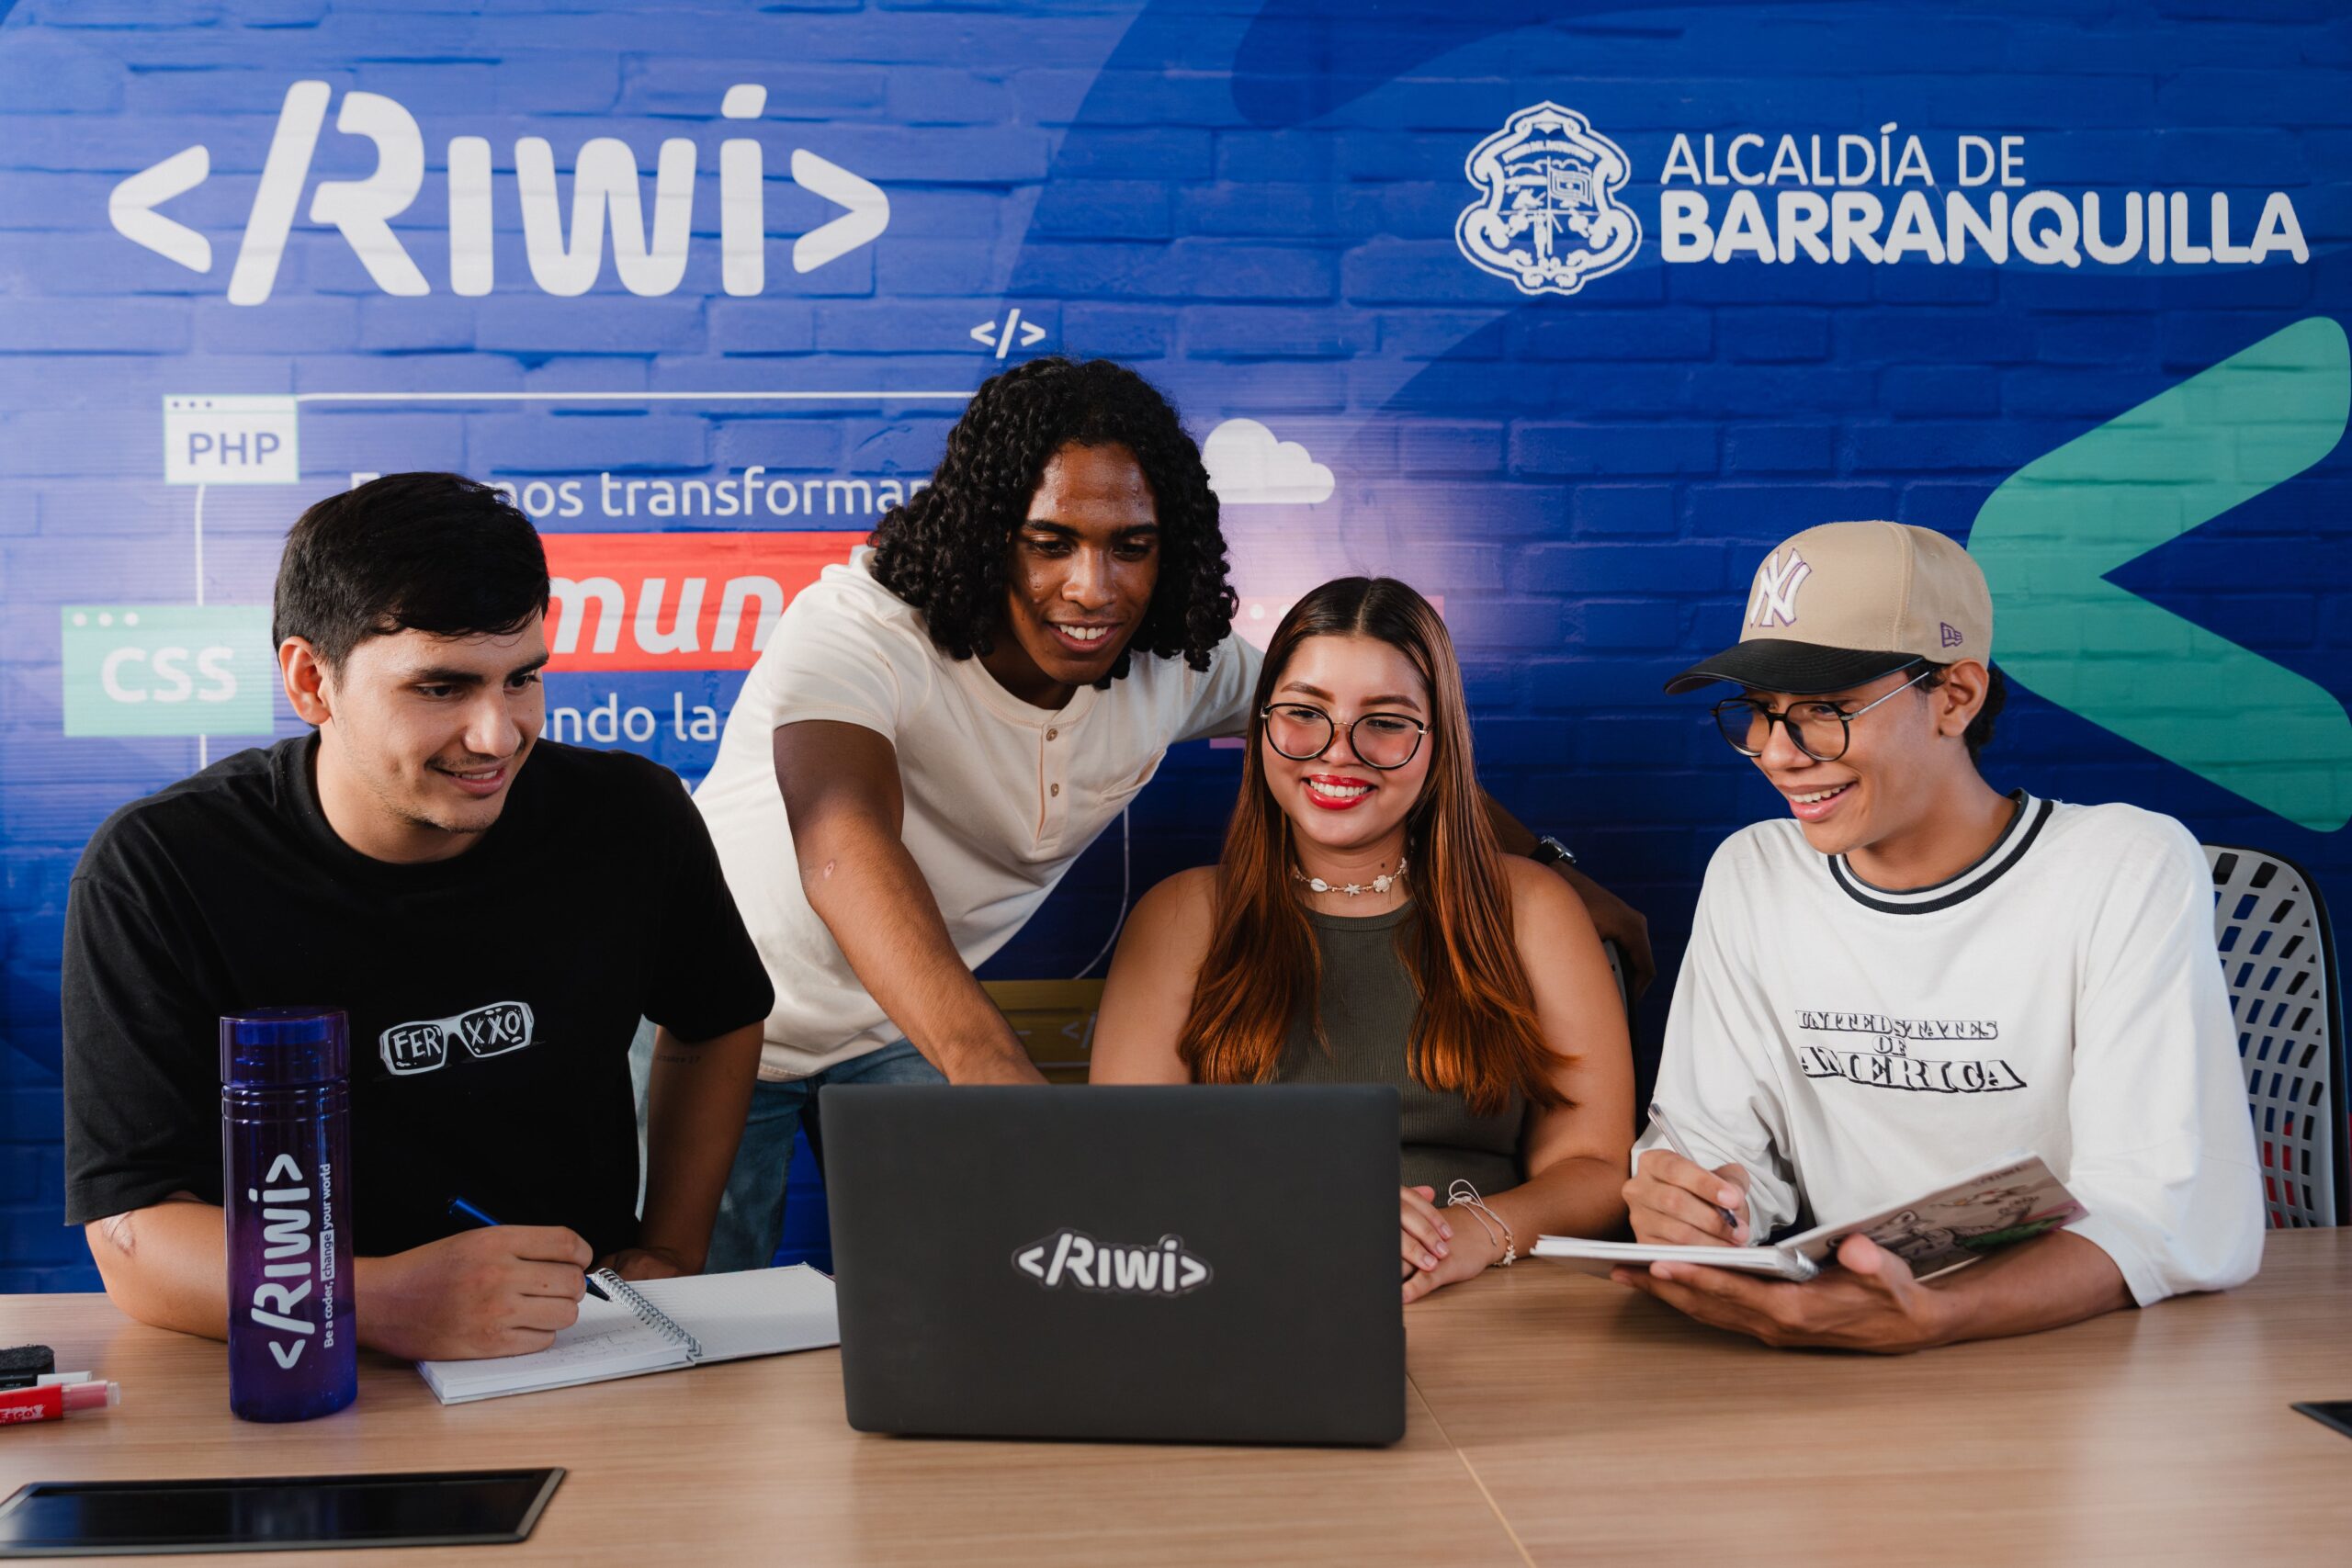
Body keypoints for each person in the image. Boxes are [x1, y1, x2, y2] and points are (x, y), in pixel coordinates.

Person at [692, 356, 1655, 1273]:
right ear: (987, 530)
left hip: (896, 1023)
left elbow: (1364, 744)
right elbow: (840, 845)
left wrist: (1552, 874)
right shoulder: (859, 627)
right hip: (721, 1014)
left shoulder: (1174, 662)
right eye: (1050, 541)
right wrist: (993, 1071)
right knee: (697, 1310)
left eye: (1132, 547)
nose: (1092, 587)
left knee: (962, 1303)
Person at [62, 474, 775, 1361]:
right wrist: (383, 1299)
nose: (498, 734)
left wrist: (672, 1245)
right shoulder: (160, 867)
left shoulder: (631, 816)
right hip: (284, 1364)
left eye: (523, 678)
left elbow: (716, 1019)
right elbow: (136, 1237)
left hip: (567, 1351)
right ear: (311, 680)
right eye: (441, 688)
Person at [1618, 520, 2263, 1351]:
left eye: (1824, 710)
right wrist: (1699, 1201)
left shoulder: (2123, 867)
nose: (1779, 753)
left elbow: (2156, 1213)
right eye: (1759, 713)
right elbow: (1722, 1154)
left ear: (1956, 695)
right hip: (1829, 1348)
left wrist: (1929, 1317)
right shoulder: (1754, 872)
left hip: (2082, 1352)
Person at [1089, 578, 1634, 1302]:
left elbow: (1596, 1165)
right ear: (1261, 726)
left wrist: (1471, 1234)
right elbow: (1129, 1165)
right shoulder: (1182, 914)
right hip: (1250, 1294)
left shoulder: (1532, 907)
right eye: (1305, 713)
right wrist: (1316, 1205)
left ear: (1439, 741)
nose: (1338, 752)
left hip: (1494, 1300)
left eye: (1386, 721)